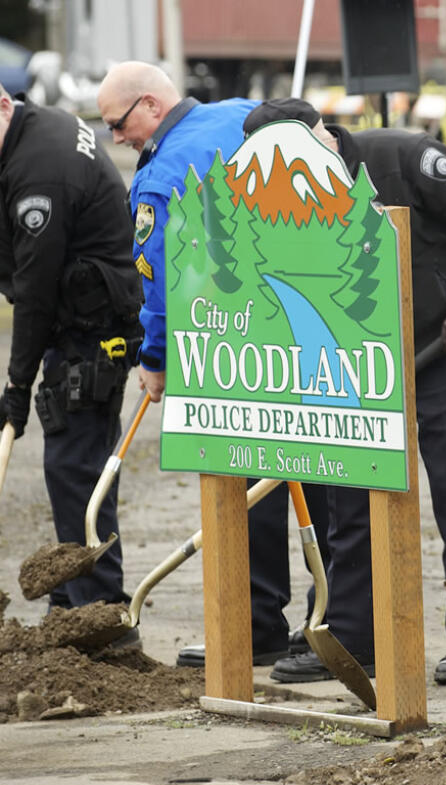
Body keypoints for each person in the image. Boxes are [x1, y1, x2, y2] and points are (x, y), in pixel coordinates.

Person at [242, 99, 446, 685]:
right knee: (348, 502)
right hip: (357, 364)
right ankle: (351, 637)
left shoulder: (402, 158)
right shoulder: (282, 189)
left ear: (322, 136)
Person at [96, 62, 328, 668]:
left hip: (229, 346)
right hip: (304, 327)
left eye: (118, 124)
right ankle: (332, 618)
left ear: (149, 105)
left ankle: (253, 627)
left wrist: (155, 358)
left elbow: (159, 280)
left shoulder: (160, 175)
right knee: (315, 471)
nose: (116, 138)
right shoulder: (235, 115)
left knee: (247, 483)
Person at [0, 71, 143, 625]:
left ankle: (101, 612)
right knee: (71, 462)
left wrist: (17, 382)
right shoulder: (30, 134)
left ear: (4, 107)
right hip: (78, 322)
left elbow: (34, 291)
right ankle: (72, 599)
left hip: (94, 330)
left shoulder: (42, 172)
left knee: (75, 466)